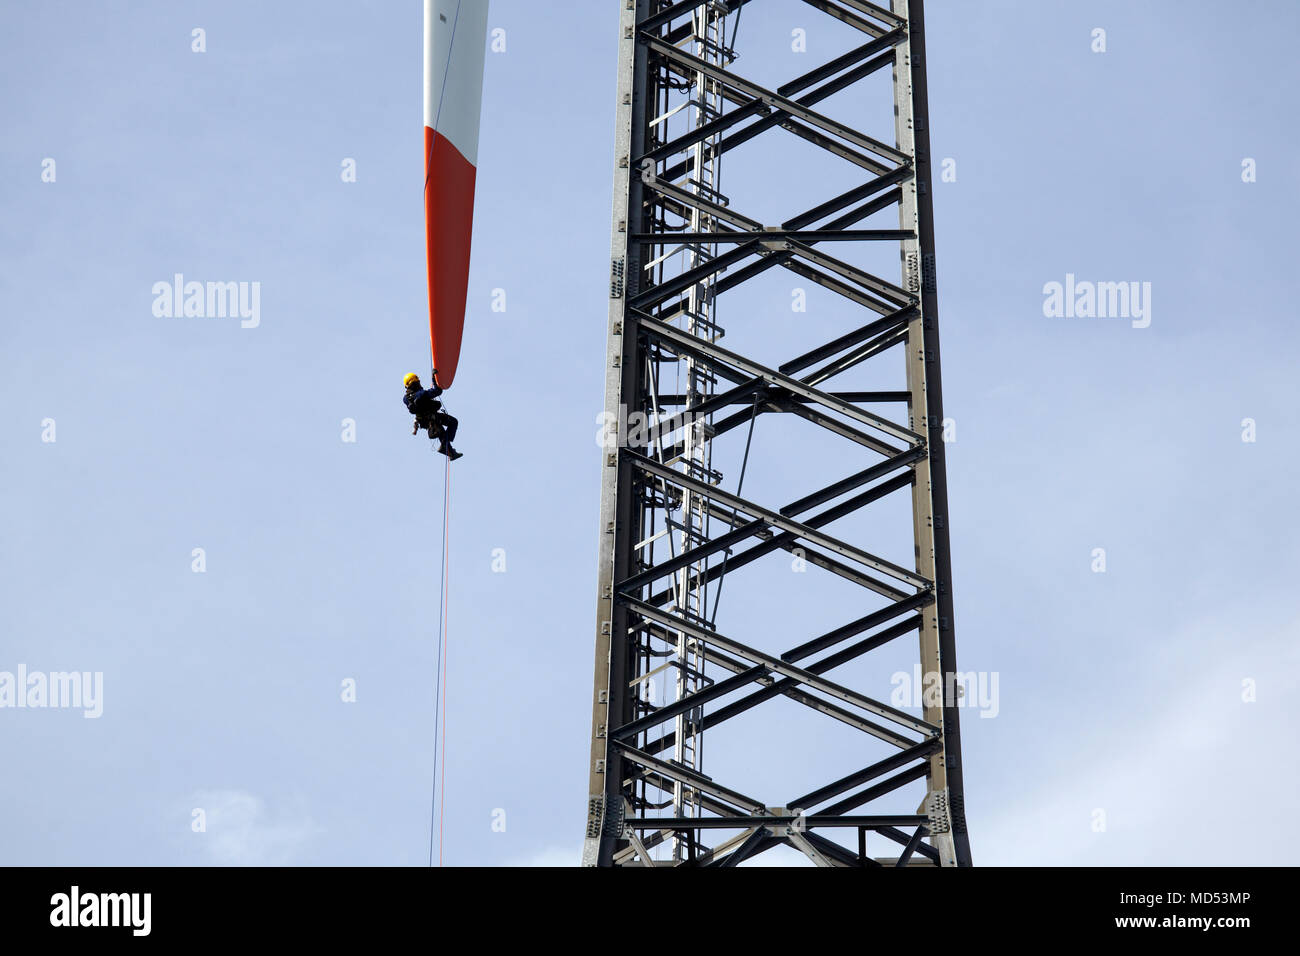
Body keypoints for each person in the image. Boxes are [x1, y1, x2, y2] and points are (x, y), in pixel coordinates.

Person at [403, 371, 463, 460]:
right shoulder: (421, 394)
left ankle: (450, 452)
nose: (420, 383)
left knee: (441, 433)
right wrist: (434, 379)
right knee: (453, 422)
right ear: (415, 383)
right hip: (433, 418)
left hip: (425, 422)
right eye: (418, 382)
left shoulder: (406, 399)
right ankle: (446, 447)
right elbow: (438, 391)